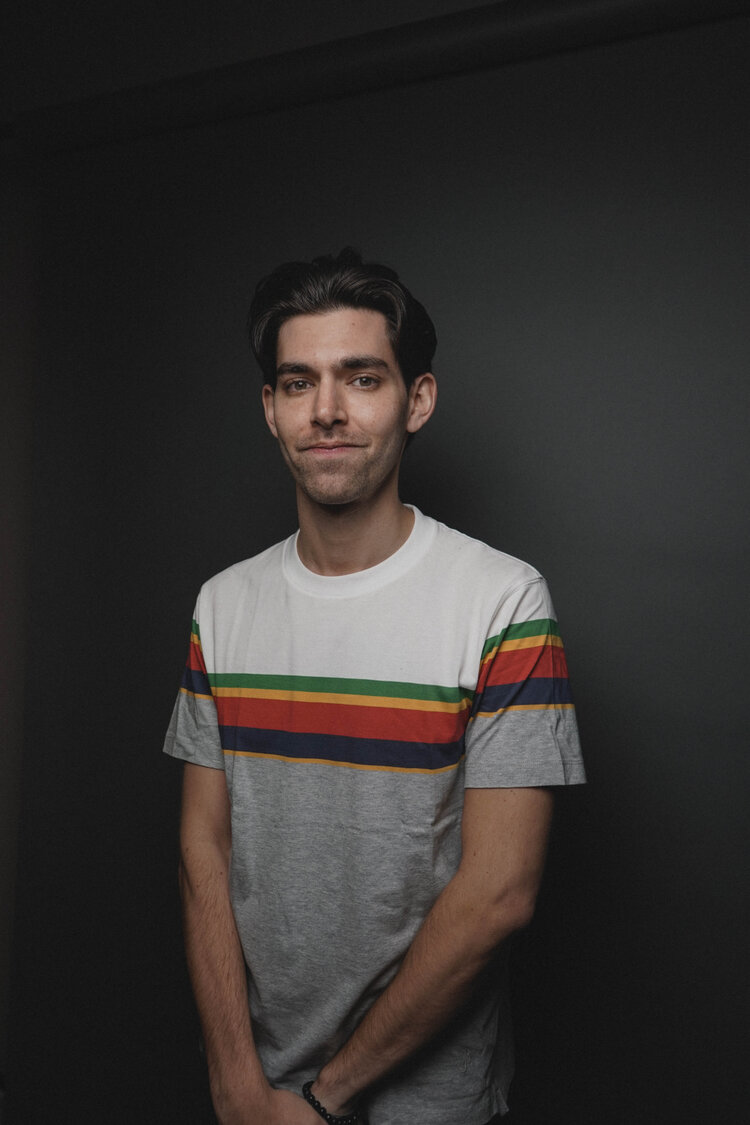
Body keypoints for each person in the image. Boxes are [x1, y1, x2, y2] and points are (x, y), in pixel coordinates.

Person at [164, 248, 585, 1125]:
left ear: (416, 400)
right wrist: (237, 1083)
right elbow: (204, 848)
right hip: (257, 1090)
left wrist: (323, 1101)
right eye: (298, 382)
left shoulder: (502, 601)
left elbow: (501, 891)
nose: (327, 410)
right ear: (271, 409)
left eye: (361, 377)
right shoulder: (223, 604)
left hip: (425, 1102)